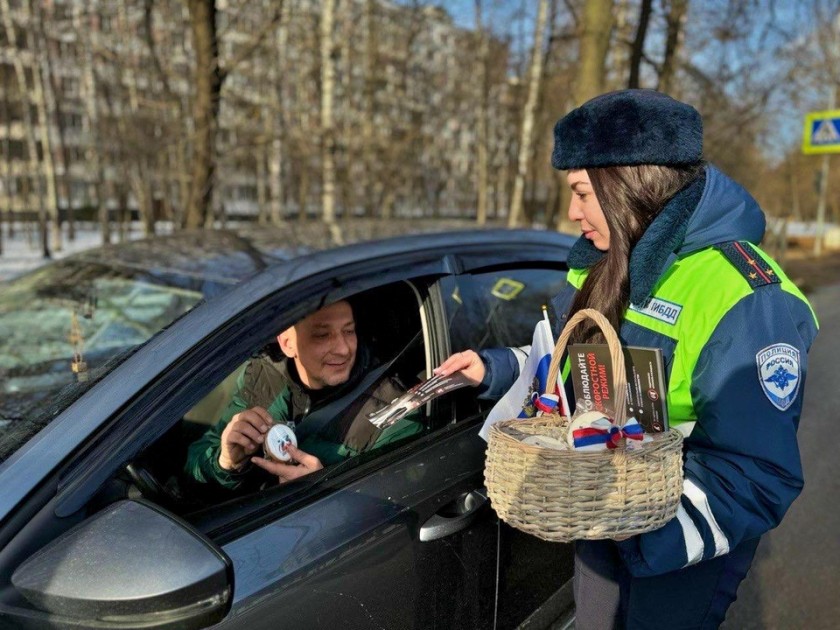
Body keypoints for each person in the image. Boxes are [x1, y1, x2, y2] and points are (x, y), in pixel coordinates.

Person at [435, 89, 819, 629]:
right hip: (603, 515)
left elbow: (756, 473)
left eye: (582, 193)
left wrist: (639, 519)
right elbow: (578, 362)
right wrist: (494, 367)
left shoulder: (747, 296)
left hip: (676, 549)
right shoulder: (612, 260)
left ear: (629, 186)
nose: (572, 213)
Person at [185, 299, 423, 493]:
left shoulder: (395, 410)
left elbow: (400, 504)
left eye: (349, 331)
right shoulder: (262, 376)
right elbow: (194, 464)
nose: (343, 348)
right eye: (322, 335)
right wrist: (226, 463)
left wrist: (322, 491)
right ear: (288, 343)